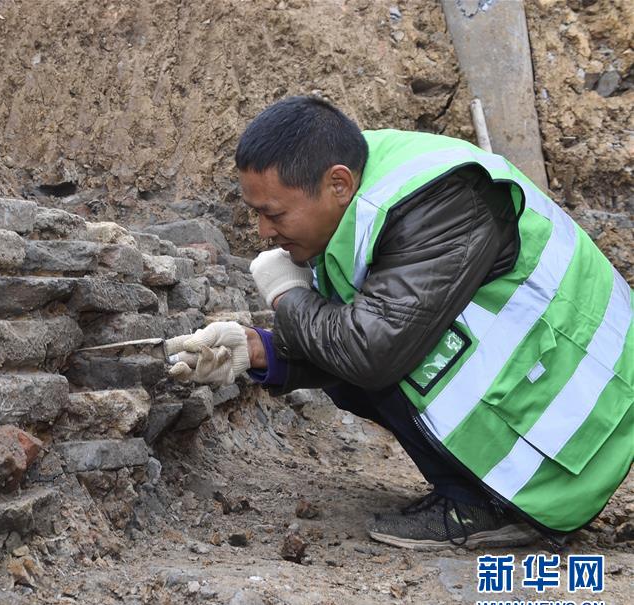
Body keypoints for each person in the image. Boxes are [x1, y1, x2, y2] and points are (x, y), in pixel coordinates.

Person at [166, 95, 633, 550]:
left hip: (585, 424)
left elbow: (371, 353)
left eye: (274, 214)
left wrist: (287, 295)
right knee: (350, 349)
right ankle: (474, 489)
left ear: (338, 184)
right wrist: (258, 349)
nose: (264, 232)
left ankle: (485, 505)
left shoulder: (440, 202)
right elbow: (352, 332)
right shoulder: (361, 201)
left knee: (368, 359)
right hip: (550, 392)